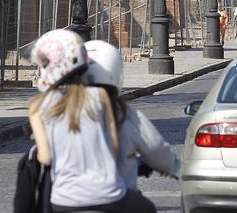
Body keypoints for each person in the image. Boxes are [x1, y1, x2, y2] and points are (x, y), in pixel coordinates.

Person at [28, 29, 155, 213]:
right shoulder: (100, 96)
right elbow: (114, 147)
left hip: (63, 200)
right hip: (108, 196)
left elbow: (45, 157)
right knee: (147, 208)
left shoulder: (36, 107)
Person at [83, 40, 180, 191]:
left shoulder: (56, 113)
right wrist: (173, 165)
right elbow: (155, 148)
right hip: (113, 197)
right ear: (115, 72)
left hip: (61, 201)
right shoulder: (125, 114)